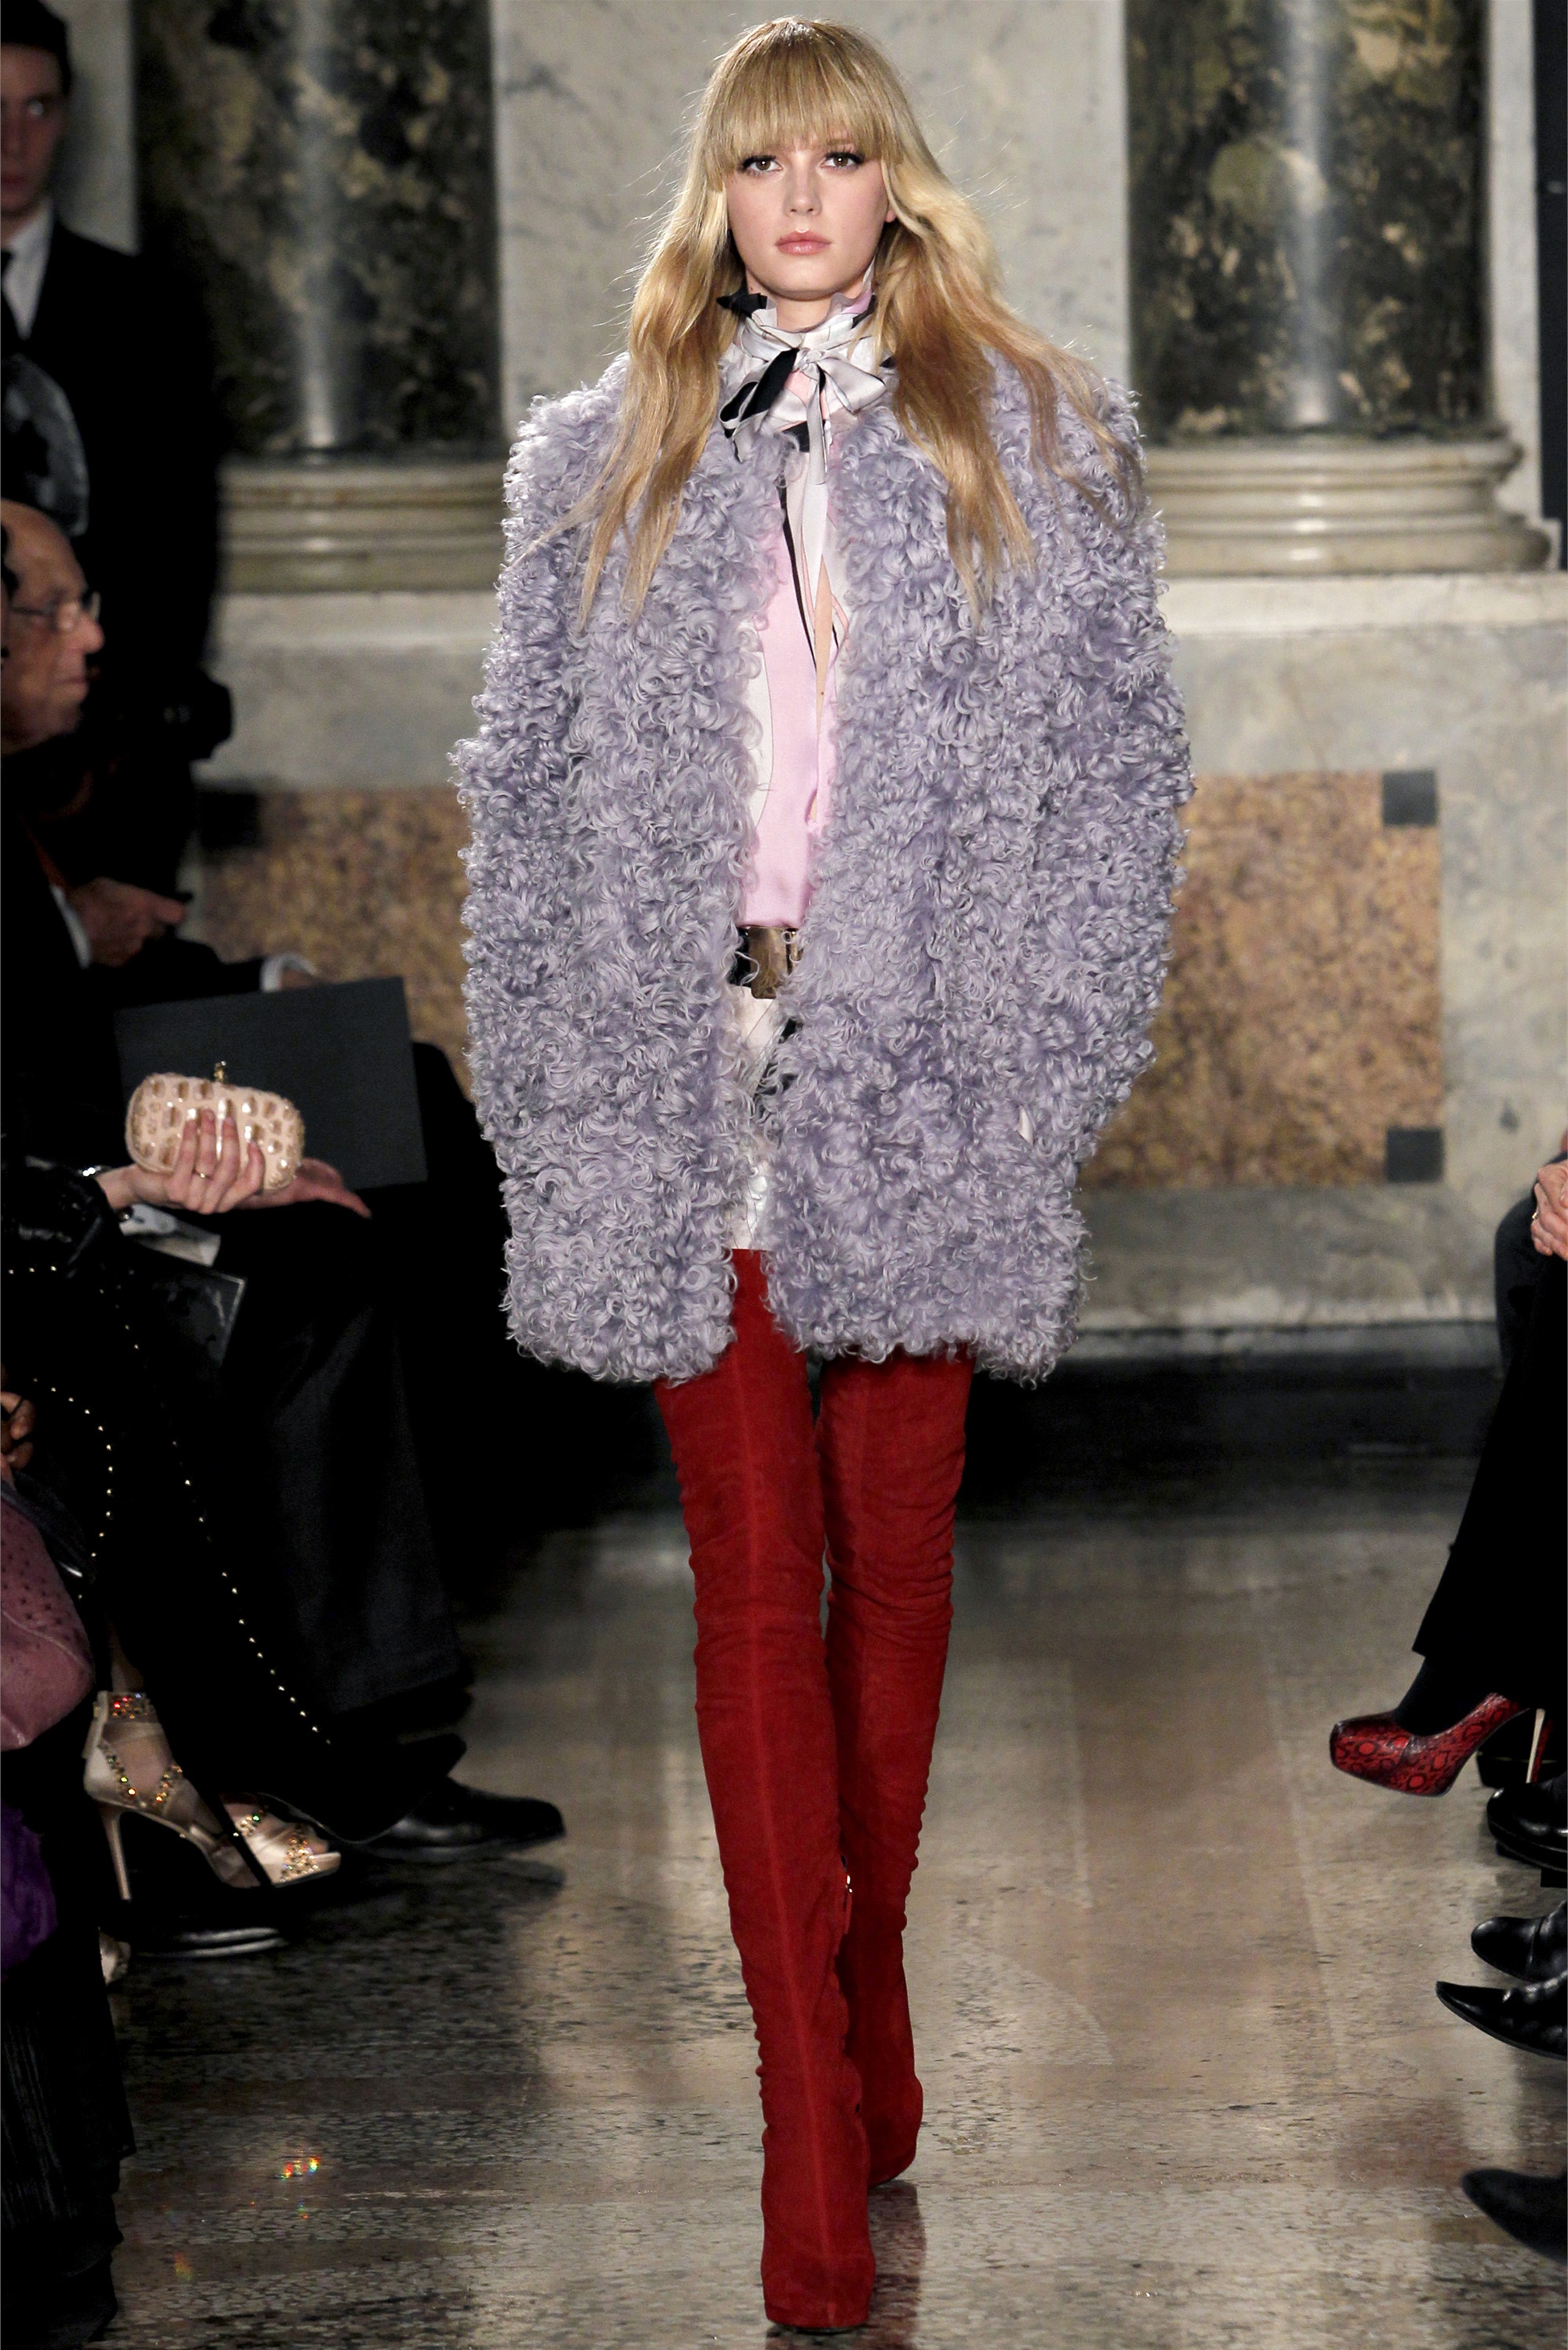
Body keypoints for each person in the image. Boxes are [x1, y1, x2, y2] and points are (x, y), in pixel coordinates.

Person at [458, 20, 1189, 2330]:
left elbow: (1123, 778)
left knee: (899, 1575)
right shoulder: (600, 456)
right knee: (751, 1591)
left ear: (896, 183)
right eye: (761, 160)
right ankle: (805, 2117)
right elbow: (525, 793)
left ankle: (865, 1989)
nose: (799, 197)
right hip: (693, 1081)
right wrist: (561, 1073)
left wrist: (1041, 1059)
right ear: (716, 190)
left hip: (924, 1077)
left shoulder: (1033, 434)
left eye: (841, 155)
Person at [2, 0, 226, 893]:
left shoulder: (147, 309)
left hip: (117, 766)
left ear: (67, 116)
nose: (12, 141)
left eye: (37, 108)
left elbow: (182, 544)